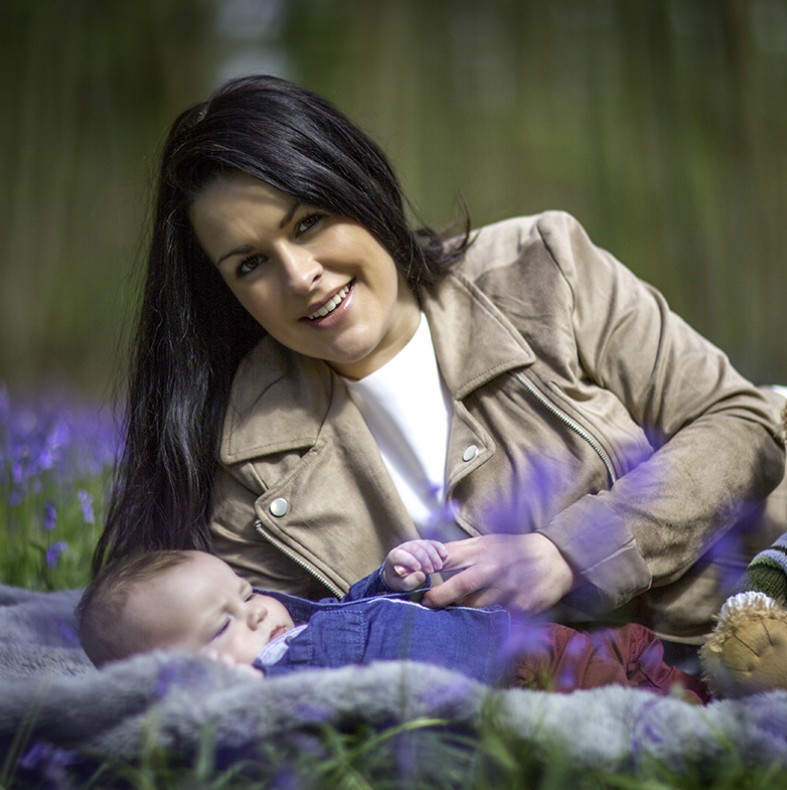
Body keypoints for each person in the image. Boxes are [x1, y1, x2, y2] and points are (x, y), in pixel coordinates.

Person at [92, 73, 787, 648]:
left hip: (744, 624)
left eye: (307, 223)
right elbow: (265, 654)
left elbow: (742, 422)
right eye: (250, 264)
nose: (300, 275)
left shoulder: (542, 271)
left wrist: (567, 553)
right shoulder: (245, 457)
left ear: (360, 186)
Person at [78, 540, 708, 703]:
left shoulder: (289, 626)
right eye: (223, 626)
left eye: (246, 593)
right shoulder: (267, 684)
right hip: (518, 681)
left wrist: (389, 579)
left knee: (641, 655)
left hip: (528, 637)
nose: (258, 612)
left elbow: (349, 613)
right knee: (645, 704)